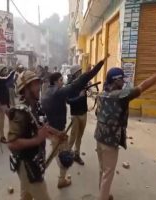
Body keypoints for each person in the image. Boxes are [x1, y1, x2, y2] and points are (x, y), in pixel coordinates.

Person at [94, 56, 156, 200]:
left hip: (99, 138)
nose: (124, 82)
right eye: (121, 79)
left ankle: (103, 193)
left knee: (103, 169)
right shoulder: (121, 95)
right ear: (116, 80)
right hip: (109, 141)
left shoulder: (101, 94)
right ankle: (102, 197)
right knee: (108, 173)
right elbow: (143, 85)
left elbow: (96, 113)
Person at [41, 54, 109, 188]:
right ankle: (56, 179)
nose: (62, 82)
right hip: (58, 130)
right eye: (60, 80)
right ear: (55, 82)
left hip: (51, 129)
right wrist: (101, 63)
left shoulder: (46, 92)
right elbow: (81, 81)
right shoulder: (58, 92)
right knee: (63, 155)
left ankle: (47, 175)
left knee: (55, 153)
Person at [7, 70, 56, 200]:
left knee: (26, 194)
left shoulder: (36, 105)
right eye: (35, 84)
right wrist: (37, 140)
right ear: (26, 88)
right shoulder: (20, 113)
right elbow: (11, 143)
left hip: (35, 159)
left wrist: (57, 134)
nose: (39, 87)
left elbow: (42, 125)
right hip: (26, 164)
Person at [67, 65, 87, 166]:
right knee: (73, 136)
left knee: (80, 136)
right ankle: (66, 154)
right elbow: (68, 101)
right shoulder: (70, 85)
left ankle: (76, 154)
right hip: (75, 114)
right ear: (75, 73)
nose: (81, 73)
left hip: (84, 112)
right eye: (79, 72)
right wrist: (79, 97)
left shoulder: (83, 82)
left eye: (81, 71)